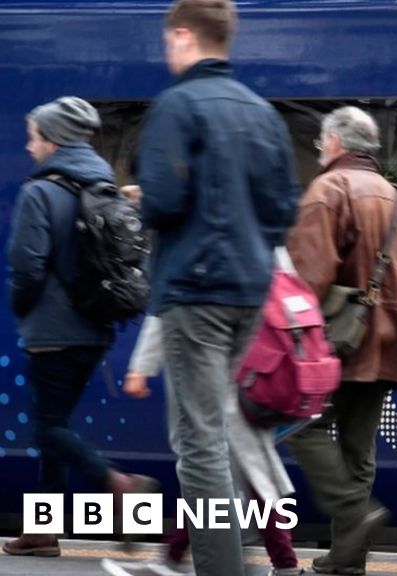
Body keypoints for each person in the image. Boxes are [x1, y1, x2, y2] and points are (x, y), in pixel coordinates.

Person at [134, 1, 300, 574]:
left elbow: (162, 200)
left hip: (194, 290)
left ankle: (219, 567)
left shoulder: (178, 106)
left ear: (183, 36)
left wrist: (141, 200)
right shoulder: (262, 114)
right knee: (218, 431)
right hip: (249, 295)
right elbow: (283, 210)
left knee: (198, 442)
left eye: (167, 40)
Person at [3, 97, 158, 558]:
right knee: (58, 425)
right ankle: (43, 530)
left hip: (53, 330)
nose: (29, 148)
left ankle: (120, 485)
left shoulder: (40, 191)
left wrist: (23, 307)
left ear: (51, 140)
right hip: (96, 329)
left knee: (49, 428)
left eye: (33, 138)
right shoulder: (103, 185)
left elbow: (25, 266)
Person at [285, 106, 397, 576]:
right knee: (359, 450)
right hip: (386, 344)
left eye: (321, 144)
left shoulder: (329, 190)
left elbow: (309, 278)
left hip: (335, 343)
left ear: (334, 144)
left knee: (302, 428)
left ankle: (353, 510)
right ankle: (348, 558)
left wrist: (291, 341)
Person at [102, 315, 303, 576]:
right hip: (250, 371)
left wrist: (142, 366)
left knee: (215, 471)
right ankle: (174, 556)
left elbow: (169, 299)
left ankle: (283, 564)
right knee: (221, 473)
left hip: (223, 375)